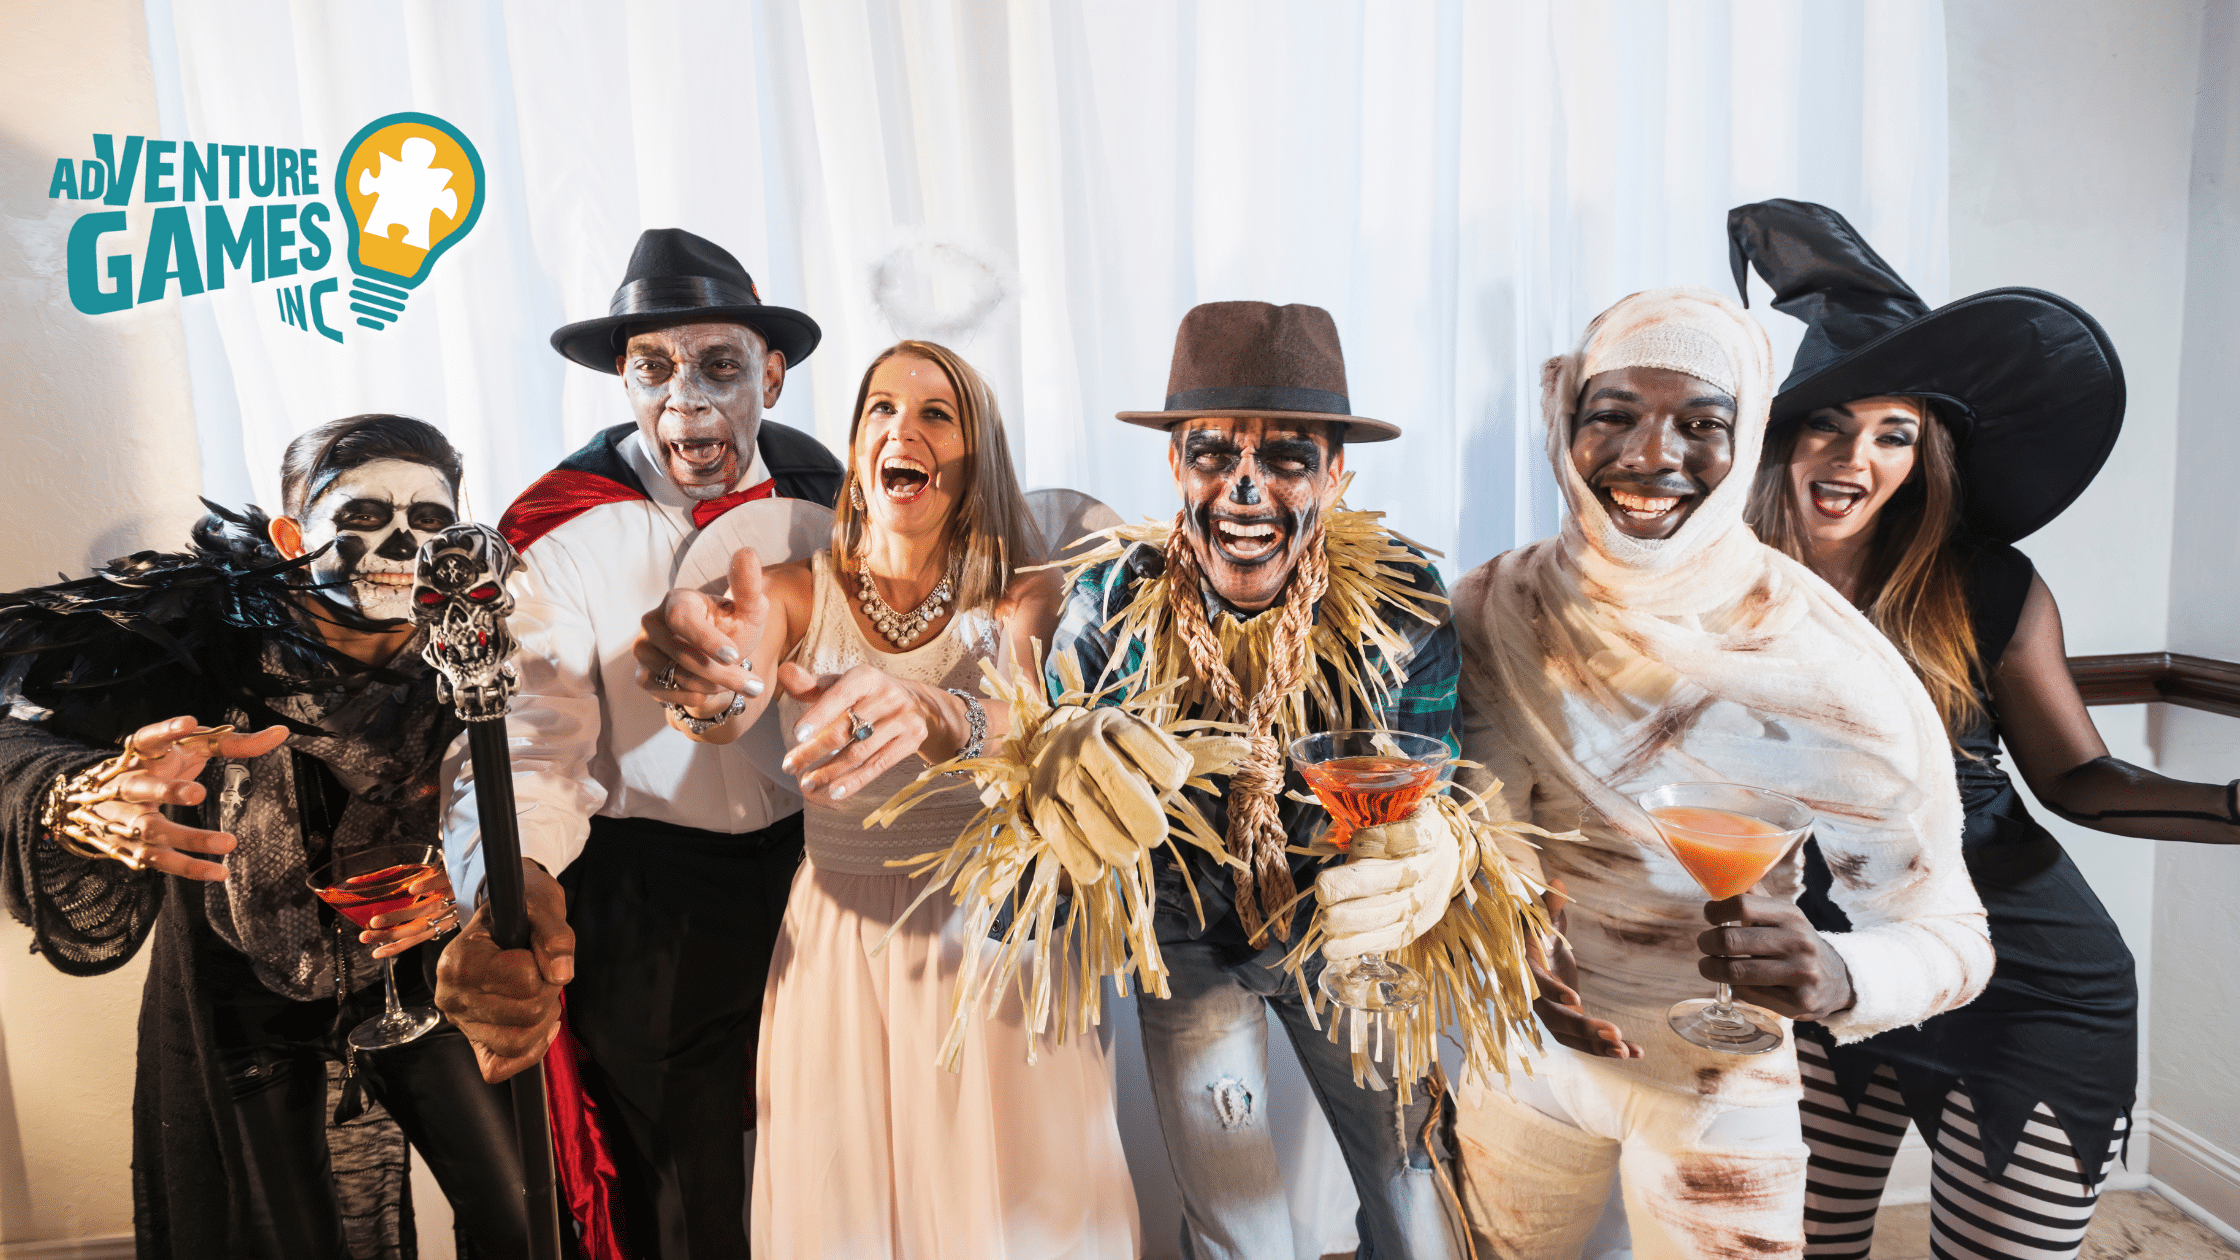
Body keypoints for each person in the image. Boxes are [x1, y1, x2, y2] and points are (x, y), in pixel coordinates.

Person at [1731, 199, 2239, 1260]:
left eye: (1892, 433)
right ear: (1778, 436)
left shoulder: (1982, 586)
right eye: (1828, 421)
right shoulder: (1712, 592)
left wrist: (2230, 806)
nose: (1853, 456)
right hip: (1818, 959)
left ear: (1924, 457)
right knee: (1788, 1248)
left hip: (2026, 980)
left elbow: (2079, 779)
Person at [1446, 286, 1995, 1260]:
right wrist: (1482, 939)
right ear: (1561, 419)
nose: (1650, 455)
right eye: (1612, 415)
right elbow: (1479, 831)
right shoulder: (1492, 604)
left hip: (1716, 1075)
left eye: (1699, 424)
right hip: (1519, 1052)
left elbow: (1949, 932)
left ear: (1742, 446)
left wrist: (1835, 971)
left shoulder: (1822, 661)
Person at [630, 339, 1139, 1258]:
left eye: (936, 413)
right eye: (881, 410)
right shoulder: (791, 590)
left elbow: (1025, 725)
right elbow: (724, 692)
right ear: (861, 454)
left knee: (1017, 1209)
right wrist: (705, 684)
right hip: (838, 944)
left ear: (974, 453)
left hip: (990, 939)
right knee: (853, 1214)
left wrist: (936, 710)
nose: (904, 426)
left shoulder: (1028, 593)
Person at [0, 414, 529, 1260]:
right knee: (283, 1238)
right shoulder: (205, 637)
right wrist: (76, 791)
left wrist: (465, 870)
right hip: (244, 995)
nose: (401, 542)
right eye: (360, 518)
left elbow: (547, 777)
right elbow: (12, 723)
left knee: (520, 1206)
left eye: (428, 521)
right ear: (291, 534)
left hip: (414, 975)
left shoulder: (477, 642)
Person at [1035, 301, 1476, 1258]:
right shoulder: (1109, 598)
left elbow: (1435, 794)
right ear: (1174, 467)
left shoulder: (1401, 603)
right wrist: (1060, 764)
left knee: (1420, 1210)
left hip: (1338, 927)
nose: (1243, 490)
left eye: (1284, 458)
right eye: (1211, 454)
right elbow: (1050, 754)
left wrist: (1428, 855)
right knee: (1245, 1235)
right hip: (1187, 932)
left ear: (1337, 475)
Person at [433, 227, 842, 1260]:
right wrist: (510, 877)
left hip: (817, 871)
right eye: (653, 368)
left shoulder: (834, 498)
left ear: (773, 375)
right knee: (681, 1176)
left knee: (833, 1140)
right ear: (623, 377)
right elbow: (527, 733)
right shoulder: (558, 530)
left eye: (719, 366)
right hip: (648, 890)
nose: (687, 401)